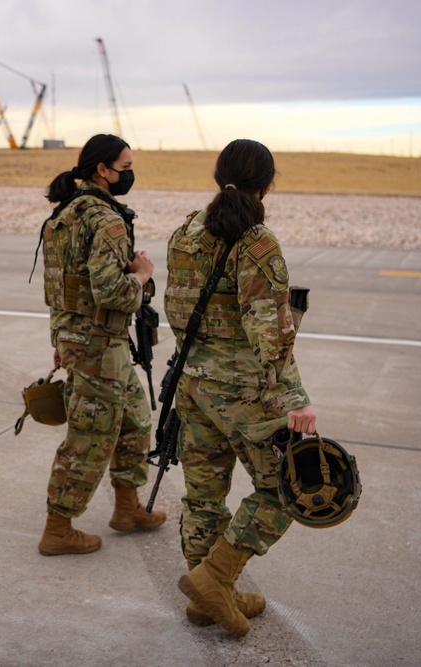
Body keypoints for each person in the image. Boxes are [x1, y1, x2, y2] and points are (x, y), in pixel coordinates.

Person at [167, 139, 316, 637]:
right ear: (268, 185)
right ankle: (214, 580)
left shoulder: (184, 233)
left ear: (218, 175)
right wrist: (296, 401)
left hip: (194, 386)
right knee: (287, 489)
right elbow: (270, 336)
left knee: (203, 496)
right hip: (244, 396)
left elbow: (177, 313)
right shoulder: (256, 242)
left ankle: (208, 600)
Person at [35, 133, 166, 557]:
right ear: (101, 171)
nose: (130, 174)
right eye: (125, 167)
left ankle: (127, 508)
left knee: (135, 420)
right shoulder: (104, 219)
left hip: (87, 340)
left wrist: (62, 338)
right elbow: (111, 292)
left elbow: (61, 290)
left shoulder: (66, 213)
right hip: (98, 346)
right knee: (90, 436)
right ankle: (58, 528)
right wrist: (142, 276)